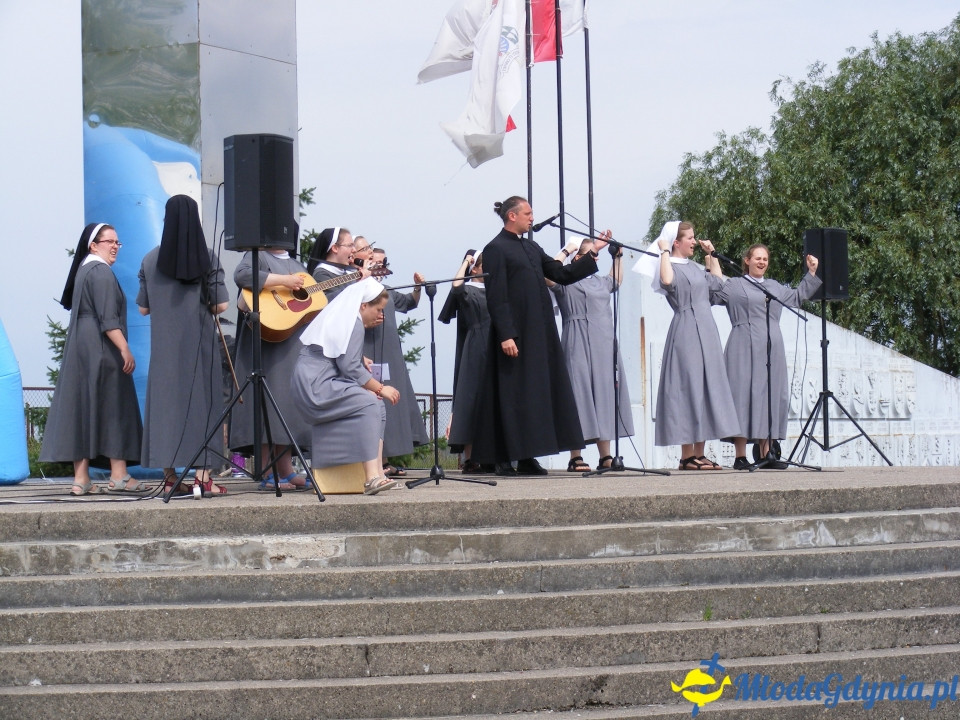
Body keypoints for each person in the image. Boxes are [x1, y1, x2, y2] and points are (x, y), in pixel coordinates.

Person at [470, 196, 606, 475]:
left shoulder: (531, 247)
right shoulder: (495, 248)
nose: (532, 218)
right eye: (528, 213)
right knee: (511, 394)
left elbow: (560, 273)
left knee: (533, 394)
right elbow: (496, 294)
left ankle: (527, 456)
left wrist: (591, 255)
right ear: (512, 216)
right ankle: (503, 457)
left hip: (538, 332)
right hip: (514, 333)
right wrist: (506, 334)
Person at [40, 223, 144, 495]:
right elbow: (108, 320)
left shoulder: (83, 271)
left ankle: (81, 478)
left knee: (84, 408)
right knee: (114, 407)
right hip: (102, 349)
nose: (114, 247)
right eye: (109, 241)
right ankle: (119, 474)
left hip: (80, 348)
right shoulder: (101, 273)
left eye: (117, 243)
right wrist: (124, 348)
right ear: (93, 245)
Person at [137, 195, 230, 495]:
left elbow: (143, 308)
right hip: (199, 346)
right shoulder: (206, 258)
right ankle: (203, 478)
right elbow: (222, 305)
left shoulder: (150, 260)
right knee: (206, 406)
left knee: (164, 409)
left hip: (163, 349)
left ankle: (168, 478)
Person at [291, 277, 402, 495]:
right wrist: (380, 388)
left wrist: (360, 359)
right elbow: (348, 366)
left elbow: (337, 351)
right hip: (316, 387)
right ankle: (370, 478)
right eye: (378, 309)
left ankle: (378, 473)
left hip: (313, 381)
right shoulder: (354, 323)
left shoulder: (346, 317)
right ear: (364, 305)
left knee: (376, 405)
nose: (381, 315)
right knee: (371, 401)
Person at [715, 244, 822, 469]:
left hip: (772, 346)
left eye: (765, 259)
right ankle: (740, 456)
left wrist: (811, 273)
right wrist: (711, 262)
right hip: (743, 344)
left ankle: (767, 452)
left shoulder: (773, 286)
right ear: (747, 260)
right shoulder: (735, 285)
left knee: (771, 396)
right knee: (742, 396)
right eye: (757, 258)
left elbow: (796, 297)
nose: (762, 262)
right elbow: (713, 294)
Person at [650, 220, 741, 469]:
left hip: (707, 329)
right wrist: (664, 250)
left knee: (706, 387)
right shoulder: (669, 265)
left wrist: (711, 255)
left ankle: (698, 453)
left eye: (694, 237)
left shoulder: (696, 267)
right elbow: (667, 281)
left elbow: (720, 285)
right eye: (689, 238)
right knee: (688, 387)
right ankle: (686, 455)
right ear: (676, 242)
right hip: (686, 329)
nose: (694, 241)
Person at [548, 233, 635, 472]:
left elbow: (615, 281)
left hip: (603, 340)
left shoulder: (599, 282)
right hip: (576, 339)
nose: (593, 259)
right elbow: (547, 274)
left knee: (604, 395)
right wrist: (565, 251)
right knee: (579, 394)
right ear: (578, 258)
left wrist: (617, 257)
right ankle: (575, 455)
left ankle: (605, 455)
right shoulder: (566, 281)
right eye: (589, 254)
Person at [229, 242, 312, 490]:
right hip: (267, 344)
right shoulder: (258, 256)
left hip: (290, 342)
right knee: (268, 402)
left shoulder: (298, 266)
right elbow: (242, 275)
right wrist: (283, 282)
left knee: (287, 405)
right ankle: (266, 470)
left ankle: (285, 469)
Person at [363, 246, 428, 474]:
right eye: (375, 262)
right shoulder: (361, 291)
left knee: (386, 407)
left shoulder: (387, 290)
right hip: (368, 352)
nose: (380, 267)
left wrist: (418, 287)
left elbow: (410, 302)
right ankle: (374, 464)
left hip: (388, 354)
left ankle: (385, 461)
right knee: (371, 403)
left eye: (383, 263)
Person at [439, 251, 492, 473]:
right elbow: (457, 286)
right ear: (476, 268)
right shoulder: (469, 289)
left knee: (490, 402)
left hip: (494, 343)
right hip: (475, 346)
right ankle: (470, 457)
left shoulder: (496, 290)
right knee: (471, 399)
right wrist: (466, 262)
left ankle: (491, 454)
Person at [305, 226, 361, 300]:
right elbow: (338, 301)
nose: (354, 250)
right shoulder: (321, 274)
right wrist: (362, 282)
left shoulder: (345, 274)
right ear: (335, 248)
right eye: (349, 245)